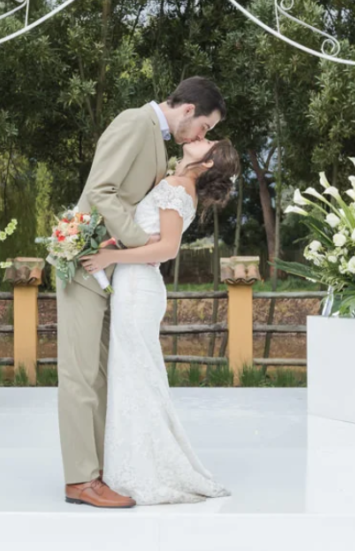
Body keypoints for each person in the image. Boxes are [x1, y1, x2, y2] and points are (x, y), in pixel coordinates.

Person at [58, 76, 226, 508]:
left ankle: (99, 472)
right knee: (81, 376)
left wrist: (128, 254)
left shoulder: (160, 142)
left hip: (110, 268)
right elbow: (101, 189)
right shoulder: (136, 123)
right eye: (205, 127)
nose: (202, 136)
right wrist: (136, 245)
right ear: (188, 110)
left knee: (101, 374)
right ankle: (80, 479)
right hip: (86, 261)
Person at [81, 137, 239, 505]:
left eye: (208, 141)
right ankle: (131, 463)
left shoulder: (178, 187)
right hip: (136, 284)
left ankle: (144, 470)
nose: (201, 137)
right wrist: (111, 249)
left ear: (209, 164)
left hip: (139, 287)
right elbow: (145, 233)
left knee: (138, 376)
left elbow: (167, 248)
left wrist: (111, 260)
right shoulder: (175, 182)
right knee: (133, 375)